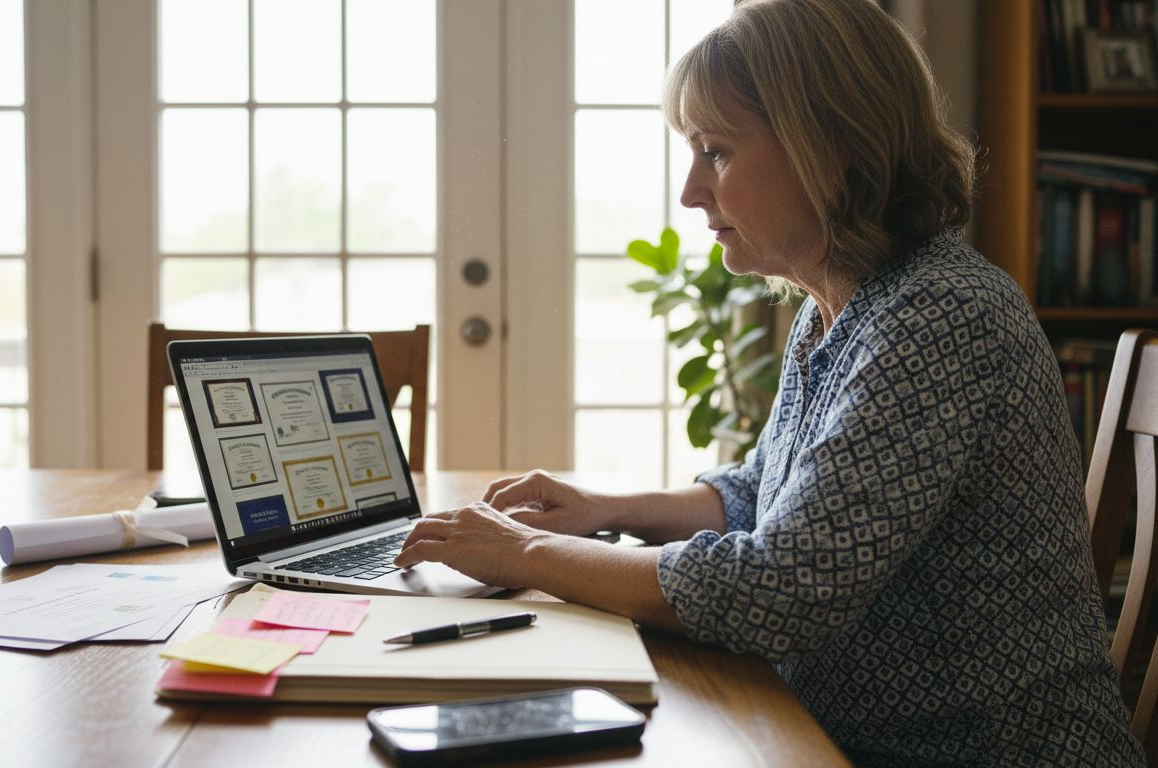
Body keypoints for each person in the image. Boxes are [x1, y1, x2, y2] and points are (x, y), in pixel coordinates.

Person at [393, 0, 1144, 764]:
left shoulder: (940, 315)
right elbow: (762, 495)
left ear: (833, 148)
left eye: (715, 151)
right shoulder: (841, 311)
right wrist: (604, 511)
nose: (690, 190)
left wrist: (522, 555)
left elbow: (780, 587)